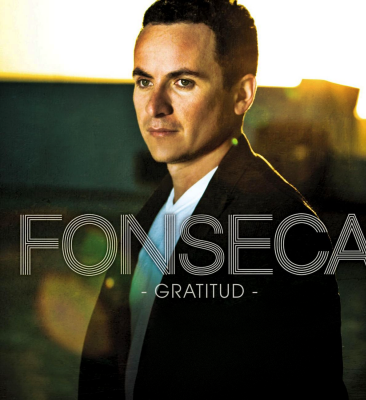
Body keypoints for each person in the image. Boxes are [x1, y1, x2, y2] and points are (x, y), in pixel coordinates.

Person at [79, 1, 348, 398]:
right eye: (144, 82)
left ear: (242, 94)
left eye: (183, 82)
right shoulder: (154, 212)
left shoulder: (280, 232)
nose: (155, 107)